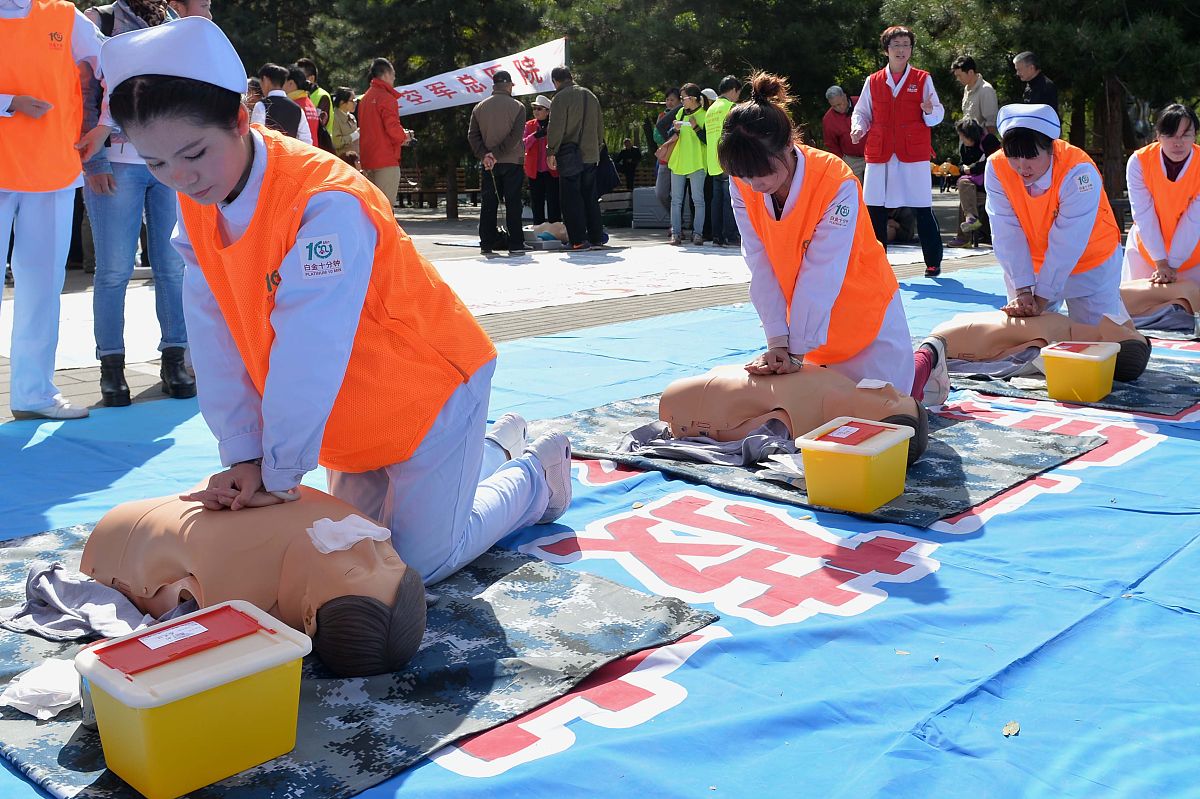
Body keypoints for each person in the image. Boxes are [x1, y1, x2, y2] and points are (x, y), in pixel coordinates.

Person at [99, 18, 573, 588]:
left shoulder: (325, 202)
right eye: (156, 165)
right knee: (353, 557)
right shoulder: (200, 205)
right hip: (347, 413)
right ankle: (494, 446)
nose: (180, 178)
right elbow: (215, 335)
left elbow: (309, 345)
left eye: (193, 154)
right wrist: (244, 452)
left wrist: (277, 470)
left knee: (414, 568)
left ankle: (536, 476)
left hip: (429, 393)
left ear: (239, 117)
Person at [81, 489, 427, 677]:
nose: (367, 545)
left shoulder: (234, 595)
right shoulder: (357, 533)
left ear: (310, 616)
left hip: (120, 538)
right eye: (389, 559)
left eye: (353, 570)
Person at [721, 71, 916, 393]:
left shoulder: (834, 180)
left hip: (862, 306)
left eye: (762, 173)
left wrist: (794, 349)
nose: (755, 185)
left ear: (787, 145)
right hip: (806, 324)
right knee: (818, 416)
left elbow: (823, 269)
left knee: (888, 406)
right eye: (743, 175)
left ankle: (930, 357)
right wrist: (778, 341)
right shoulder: (742, 183)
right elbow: (760, 262)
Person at [79, 0, 194, 407]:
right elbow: (86, 94)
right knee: (113, 270)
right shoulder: (101, 20)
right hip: (115, 161)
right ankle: (111, 368)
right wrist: (93, 160)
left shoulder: (172, 21)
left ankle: (174, 358)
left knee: (172, 265)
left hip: (168, 160)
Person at [1, 0, 111, 420]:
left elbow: (113, 64)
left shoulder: (64, 15)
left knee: (43, 284)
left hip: (52, 170)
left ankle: (34, 393)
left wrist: (106, 124)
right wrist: (9, 102)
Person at [986, 104, 1127, 324]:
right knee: (1027, 342)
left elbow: (1068, 242)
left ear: (1051, 149)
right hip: (1030, 268)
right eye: (1013, 156)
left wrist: (1041, 300)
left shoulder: (1079, 173)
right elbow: (1005, 230)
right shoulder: (996, 167)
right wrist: (1022, 290)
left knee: (1099, 339)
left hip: (1089, 264)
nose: (1022, 167)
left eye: (1031, 156)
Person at [656, 363, 928, 464]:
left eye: (892, 403)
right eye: (902, 394)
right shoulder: (842, 381)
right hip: (716, 377)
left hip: (690, 402)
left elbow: (731, 431)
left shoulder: (797, 425)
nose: (890, 390)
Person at [851, 25, 945, 277]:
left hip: (912, 153)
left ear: (911, 49)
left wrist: (928, 111)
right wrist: (858, 127)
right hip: (880, 152)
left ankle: (933, 262)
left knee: (922, 207)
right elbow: (862, 112)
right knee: (874, 209)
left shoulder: (923, 79)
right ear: (886, 50)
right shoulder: (873, 81)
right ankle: (876, 263)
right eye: (896, 45)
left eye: (906, 45)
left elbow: (937, 114)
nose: (901, 50)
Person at [1122, 104, 1200, 286]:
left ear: (1195, 135)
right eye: (1170, 135)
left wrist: (1172, 265)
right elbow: (1143, 213)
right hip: (1146, 253)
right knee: (1140, 311)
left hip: (1193, 254)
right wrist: (1160, 262)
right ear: (1157, 136)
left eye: (1185, 135)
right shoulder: (1139, 162)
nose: (1178, 143)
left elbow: (1194, 220)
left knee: (1187, 310)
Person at [468, 70, 527, 255]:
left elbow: (472, 135)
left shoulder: (479, 107)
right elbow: (515, 137)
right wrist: (497, 154)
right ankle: (516, 243)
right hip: (512, 162)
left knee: (489, 204)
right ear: (509, 85)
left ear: (493, 86)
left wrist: (486, 155)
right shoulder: (518, 107)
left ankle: (486, 243)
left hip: (488, 164)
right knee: (513, 203)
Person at [546, 65, 605, 250]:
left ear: (555, 81)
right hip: (591, 154)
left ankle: (578, 239)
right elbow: (600, 127)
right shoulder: (591, 95)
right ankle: (596, 237)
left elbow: (556, 128)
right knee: (589, 197)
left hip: (570, 155)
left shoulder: (560, 98)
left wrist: (551, 151)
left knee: (571, 198)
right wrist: (597, 148)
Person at [358, 57, 409, 207]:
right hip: (386, 160)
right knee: (385, 208)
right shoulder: (387, 98)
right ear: (386, 74)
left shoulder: (365, 98)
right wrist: (405, 136)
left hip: (368, 159)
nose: (394, 78)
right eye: (393, 74)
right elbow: (392, 128)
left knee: (372, 208)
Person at [666, 83, 707, 246]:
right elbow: (669, 133)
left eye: (684, 98)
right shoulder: (681, 112)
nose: (682, 101)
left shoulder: (705, 114)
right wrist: (675, 129)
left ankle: (698, 234)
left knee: (698, 200)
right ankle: (675, 234)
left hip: (697, 162)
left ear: (694, 99)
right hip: (679, 161)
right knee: (676, 200)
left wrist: (696, 127)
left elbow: (707, 140)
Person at [949, 117, 1001, 246]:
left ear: (971, 134)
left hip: (991, 184)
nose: (962, 139)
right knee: (966, 193)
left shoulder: (989, 141)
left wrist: (971, 169)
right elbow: (961, 165)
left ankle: (964, 238)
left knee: (964, 191)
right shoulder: (964, 147)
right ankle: (970, 219)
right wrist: (964, 169)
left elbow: (995, 161)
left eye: (963, 136)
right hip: (973, 187)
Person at [706, 75, 741, 247]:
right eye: (738, 93)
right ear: (734, 89)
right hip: (727, 159)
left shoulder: (711, 110)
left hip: (713, 160)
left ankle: (717, 236)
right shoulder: (731, 107)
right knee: (730, 199)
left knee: (717, 200)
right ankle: (731, 235)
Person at [523, 94, 560, 225]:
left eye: (540, 108)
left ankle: (555, 228)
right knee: (536, 201)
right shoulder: (530, 125)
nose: (536, 111)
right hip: (535, 170)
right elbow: (523, 144)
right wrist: (535, 136)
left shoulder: (555, 125)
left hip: (552, 170)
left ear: (548, 111)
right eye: (534, 108)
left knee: (553, 201)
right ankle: (538, 228)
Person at [251, 63, 310, 144]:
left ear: (265, 80)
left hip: (269, 155)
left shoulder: (261, 105)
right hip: (291, 155)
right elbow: (306, 141)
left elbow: (256, 137)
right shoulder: (298, 109)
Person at [821, 85, 866, 182]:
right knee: (854, 187)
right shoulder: (828, 120)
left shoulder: (861, 103)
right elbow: (831, 143)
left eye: (840, 104)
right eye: (834, 106)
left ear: (844, 96)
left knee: (876, 186)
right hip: (851, 159)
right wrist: (842, 159)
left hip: (871, 153)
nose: (838, 108)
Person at [950, 55, 998, 135]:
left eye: (959, 76)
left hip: (981, 144)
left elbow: (991, 124)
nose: (957, 79)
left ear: (970, 72)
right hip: (967, 142)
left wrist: (989, 145)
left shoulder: (986, 90)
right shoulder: (967, 88)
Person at [652, 87, 681, 213]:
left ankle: (676, 224)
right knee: (660, 193)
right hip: (665, 158)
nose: (669, 102)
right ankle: (674, 218)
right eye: (667, 99)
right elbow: (656, 136)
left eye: (672, 99)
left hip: (679, 158)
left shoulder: (683, 115)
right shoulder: (662, 116)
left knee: (678, 195)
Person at [296, 57, 333, 138]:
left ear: (311, 78)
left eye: (300, 76)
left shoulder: (322, 96)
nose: (296, 80)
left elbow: (320, 125)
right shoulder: (299, 95)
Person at [284, 64, 321, 145]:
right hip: (312, 152)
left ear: (291, 83)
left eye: (283, 81)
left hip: (301, 153)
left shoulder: (293, 105)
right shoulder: (309, 103)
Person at [330, 86, 359, 158]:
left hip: (355, 161)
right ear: (342, 102)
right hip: (343, 161)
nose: (355, 103)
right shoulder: (334, 118)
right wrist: (354, 135)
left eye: (355, 100)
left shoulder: (352, 117)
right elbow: (336, 143)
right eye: (352, 101)